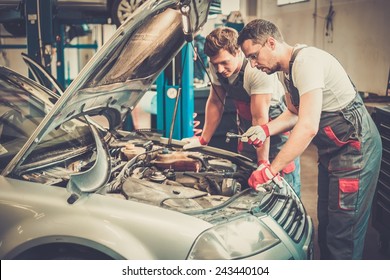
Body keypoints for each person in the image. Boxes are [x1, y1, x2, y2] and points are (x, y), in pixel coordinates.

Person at [237, 19, 382, 259]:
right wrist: (265, 129)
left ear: (271, 43)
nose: (253, 65)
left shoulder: (307, 62)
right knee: (325, 224)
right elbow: (294, 113)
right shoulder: (286, 71)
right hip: (334, 153)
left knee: (342, 234)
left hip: (356, 152)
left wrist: (271, 169)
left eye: (254, 56)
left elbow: (307, 126)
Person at [182, 27, 301, 196]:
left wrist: (263, 162)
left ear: (237, 52)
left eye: (224, 62)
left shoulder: (256, 71)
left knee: (280, 185)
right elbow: (216, 101)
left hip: (272, 126)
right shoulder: (216, 64)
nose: (220, 69)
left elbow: (260, 118)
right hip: (247, 127)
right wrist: (203, 139)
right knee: (245, 177)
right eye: (215, 64)